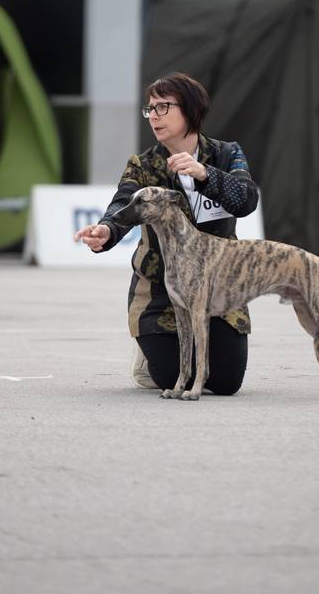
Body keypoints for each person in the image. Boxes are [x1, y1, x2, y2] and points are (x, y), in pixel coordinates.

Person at [74, 71, 259, 394]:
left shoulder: (227, 154)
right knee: (172, 377)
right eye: (150, 109)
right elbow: (122, 204)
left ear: (190, 109)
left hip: (219, 287)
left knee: (226, 383)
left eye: (163, 107)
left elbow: (246, 200)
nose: (154, 117)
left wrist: (205, 174)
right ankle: (148, 353)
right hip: (161, 291)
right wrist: (106, 230)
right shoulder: (144, 164)